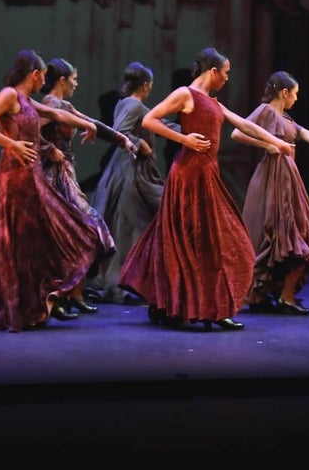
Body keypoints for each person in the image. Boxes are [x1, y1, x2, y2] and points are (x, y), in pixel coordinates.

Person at [117, 47, 294, 331]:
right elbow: (150, 121)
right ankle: (191, 307)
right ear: (213, 72)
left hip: (206, 175)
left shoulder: (212, 101)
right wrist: (184, 139)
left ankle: (205, 306)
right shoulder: (185, 94)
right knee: (190, 243)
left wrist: (279, 142)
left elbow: (244, 124)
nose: (226, 79)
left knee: (216, 241)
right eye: (225, 73)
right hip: (187, 176)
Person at [0, 49, 110, 332]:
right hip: (13, 180)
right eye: (42, 77)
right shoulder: (9, 95)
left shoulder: (27, 101)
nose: (42, 82)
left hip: (31, 180)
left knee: (39, 242)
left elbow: (56, 112)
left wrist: (87, 124)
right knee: (16, 245)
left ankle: (35, 303)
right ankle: (14, 308)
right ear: (35, 75)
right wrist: (10, 143)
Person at [232, 71, 309, 315]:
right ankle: (275, 297)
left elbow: (308, 135)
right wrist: (268, 144)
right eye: (295, 94)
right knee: (283, 236)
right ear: (284, 92)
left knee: (296, 236)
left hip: (287, 180)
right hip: (271, 180)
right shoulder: (266, 110)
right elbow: (237, 133)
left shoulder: (285, 117)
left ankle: (275, 295)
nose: (297, 99)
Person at [38, 57, 133, 315]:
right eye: (74, 79)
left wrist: (121, 138)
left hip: (66, 175)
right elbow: (27, 130)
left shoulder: (65, 104)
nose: (76, 84)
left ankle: (74, 293)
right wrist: (49, 149)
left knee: (87, 232)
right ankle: (54, 296)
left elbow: (91, 122)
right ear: (62, 81)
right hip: (50, 179)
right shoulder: (49, 104)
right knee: (65, 236)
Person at [85, 61, 180, 305]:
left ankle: (133, 280)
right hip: (130, 171)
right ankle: (124, 282)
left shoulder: (129, 104)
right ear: (146, 86)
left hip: (131, 170)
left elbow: (155, 122)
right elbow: (120, 131)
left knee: (130, 226)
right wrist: (140, 143)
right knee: (131, 224)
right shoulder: (132, 104)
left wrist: (183, 131)